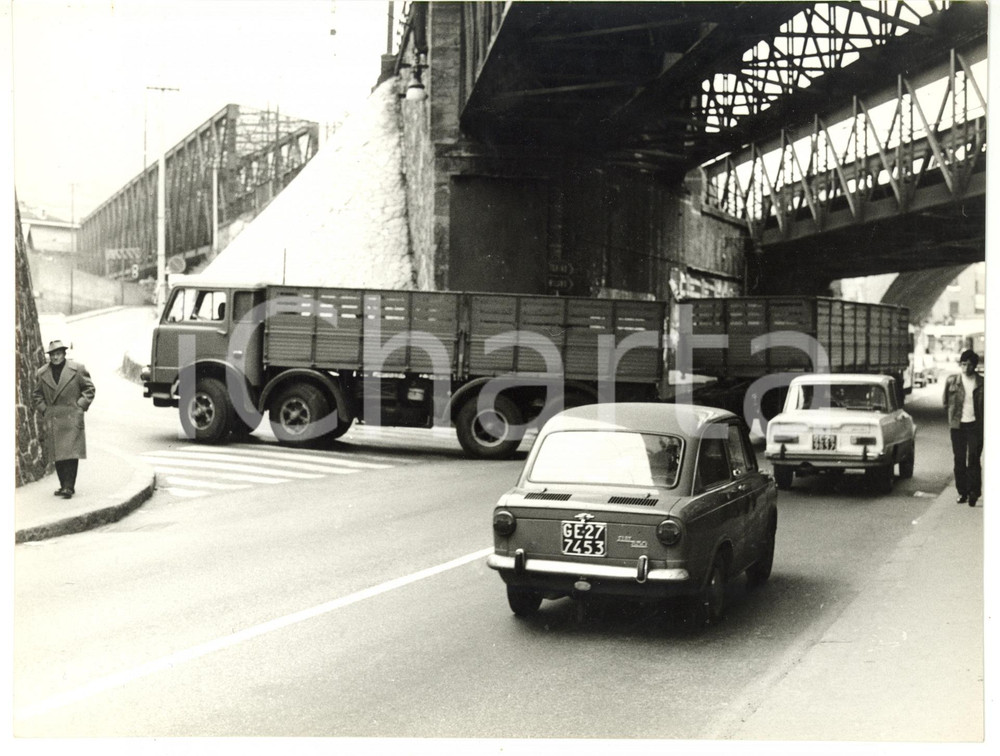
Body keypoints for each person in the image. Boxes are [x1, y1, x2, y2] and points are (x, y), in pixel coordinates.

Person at [32, 340, 96, 499]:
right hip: (54, 417)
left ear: (64, 354)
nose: (55, 357)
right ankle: (63, 485)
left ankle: (69, 486)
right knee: (58, 454)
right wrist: (45, 410)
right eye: (52, 354)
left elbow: (89, 389)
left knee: (71, 453)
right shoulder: (42, 373)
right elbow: (37, 395)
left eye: (58, 354)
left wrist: (80, 406)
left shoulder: (77, 369)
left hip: (72, 416)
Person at [943, 348, 984, 507]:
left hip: (975, 426)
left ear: (975, 366)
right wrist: (952, 418)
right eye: (963, 364)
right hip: (958, 426)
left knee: (973, 459)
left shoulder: (982, 383)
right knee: (959, 460)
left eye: (969, 365)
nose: (966, 368)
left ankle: (974, 492)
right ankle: (962, 492)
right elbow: (946, 403)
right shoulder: (952, 381)